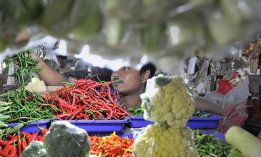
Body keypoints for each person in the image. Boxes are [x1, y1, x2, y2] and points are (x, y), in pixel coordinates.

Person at [34, 56, 224, 116]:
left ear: (145, 75)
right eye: (115, 69)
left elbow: (206, 106)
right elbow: (64, 84)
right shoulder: (102, 94)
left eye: (126, 68)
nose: (117, 74)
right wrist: (34, 61)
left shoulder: (158, 97)